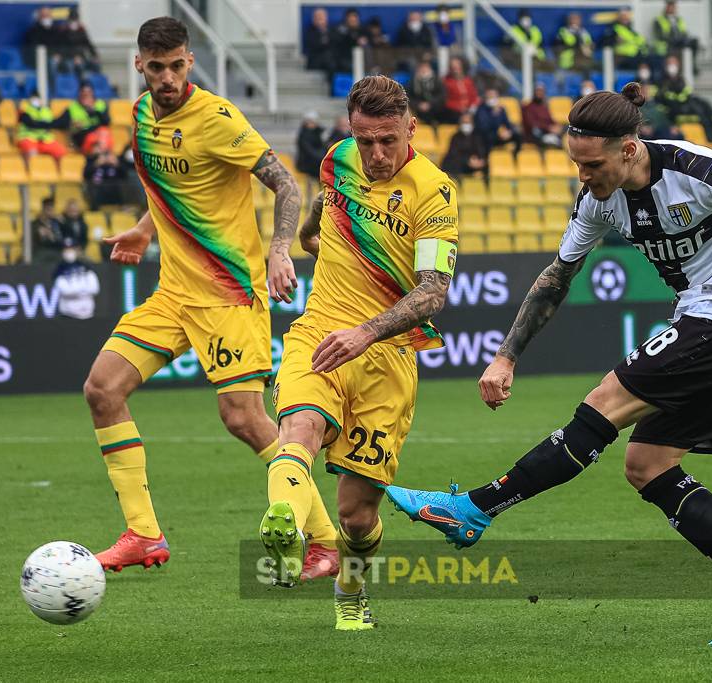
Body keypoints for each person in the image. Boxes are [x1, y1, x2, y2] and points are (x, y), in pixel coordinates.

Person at [385, 83, 712, 646]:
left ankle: (474, 509)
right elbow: (556, 279)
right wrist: (506, 356)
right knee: (648, 464)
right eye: (576, 164)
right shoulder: (597, 200)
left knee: (602, 406)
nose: (583, 176)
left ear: (629, 149)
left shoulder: (696, 169)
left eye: (591, 164)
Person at [79, 17, 327, 578]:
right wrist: (145, 229)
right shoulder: (141, 116)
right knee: (102, 389)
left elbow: (286, 185)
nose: (166, 77)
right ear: (139, 65)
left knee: (243, 418)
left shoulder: (216, 118)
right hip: (173, 293)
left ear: (189, 62)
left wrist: (280, 250)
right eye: (156, 67)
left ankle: (323, 538)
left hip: (228, 293)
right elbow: (173, 188)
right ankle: (143, 533)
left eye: (176, 66)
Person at [263, 75, 459, 630]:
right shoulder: (339, 158)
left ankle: (351, 587)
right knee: (298, 427)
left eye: (387, 141)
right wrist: (295, 244)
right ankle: (286, 526)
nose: (374, 154)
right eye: (364, 139)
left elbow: (433, 291)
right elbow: (326, 203)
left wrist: (367, 332)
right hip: (319, 332)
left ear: (410, 129)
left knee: (357, 513)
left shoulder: (434, 192)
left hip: (386, 359)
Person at [656, 55, 712, 148]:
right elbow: (661, 108)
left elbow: (686, 95)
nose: (672, 66)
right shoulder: (660, 85)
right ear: (665, 66)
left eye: (674, 63)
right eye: (669, 64)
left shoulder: (683, 83)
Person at [55, 82, 112, 154]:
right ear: (79, 94)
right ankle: (101, 156)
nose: (86, 95)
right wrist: (71, 125)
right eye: (83, 93)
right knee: (97, 139)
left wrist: (94, 111)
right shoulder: (73, 108)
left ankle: (102, 156)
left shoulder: (100, 105)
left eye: (88, 93)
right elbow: (59, 123)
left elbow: (106, 122)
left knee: (103, 132)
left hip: (100, 138)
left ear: (92, 94)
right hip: (83, 138)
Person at [53, 238, 101, 319]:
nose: (69, 252)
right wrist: (83, 289)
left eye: (71, 249)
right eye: (66, 250)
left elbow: (95, 288)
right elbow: (65, 291)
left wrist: (76, 290)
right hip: (68, 316)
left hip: (89, 315)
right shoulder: (59, 269)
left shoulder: (86, 266)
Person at [16, 93, 66, 160]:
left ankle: (58, 170)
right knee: (32, 153)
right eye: (33, 99)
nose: (35, 101)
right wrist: (45, 124)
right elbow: (31, 124)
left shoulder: (46, 111)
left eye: (37, 98)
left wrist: (40, 124)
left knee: (61, 152)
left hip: (45, 140)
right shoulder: (25, 110)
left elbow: (53, 124)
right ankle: (31, 169)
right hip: (29, 138)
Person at [441, 112, 489, 178]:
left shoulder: (477, 137)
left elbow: (481, 151)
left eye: (468, 122)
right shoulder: (456, 137)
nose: (466, 125)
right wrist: (467, 160)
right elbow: (453, 153)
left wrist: (479, 160)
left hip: (475, 164)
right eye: (464, 122)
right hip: (460, 164)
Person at [474, 88, 520, 153]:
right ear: (486, 97)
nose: (492, 98)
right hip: (485, 137)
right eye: (490, 96)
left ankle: (515, 157)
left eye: (494, 96)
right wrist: (494, 115)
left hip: (497, 135)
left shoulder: (501, 109)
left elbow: (507, 123)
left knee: (517, 136)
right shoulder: (481, 109)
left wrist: (509, 131)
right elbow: (484, 127)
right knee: (488, 139)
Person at [521, 83, 564, 148]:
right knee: (536, 130)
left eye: (541, 91)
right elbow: (531, 123)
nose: (539, 93)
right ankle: (548, 140)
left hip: (546, 132)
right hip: (534, 134)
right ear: (534, 93)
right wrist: (548, 128)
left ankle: (551, 141)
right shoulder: (528, 107)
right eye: (538, 91)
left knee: (565, 128)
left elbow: (550, 120)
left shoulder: (544, 107)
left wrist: (556, 125)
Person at [441, 56, 479, 123]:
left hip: (469, 111)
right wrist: (459, 107)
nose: (455, 68)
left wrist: (471, 109)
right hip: (454, 112)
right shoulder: (446, 81)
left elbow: (474, 97)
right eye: (453, 66)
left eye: (457, 65)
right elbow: (445, 100)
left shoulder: (469, 81)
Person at [332, 8, 367, 74]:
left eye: (355, 17)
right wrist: (356, 41)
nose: (353, 20)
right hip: (344, 60)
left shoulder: (362, 30)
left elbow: (367, 41)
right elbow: (342, 44)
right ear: (346, 19)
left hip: (360, 59)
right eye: (351, 18)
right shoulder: (340, 30)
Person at [296, 111, 327, 182]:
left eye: (313, 121)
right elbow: (308, 151)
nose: (312, 124)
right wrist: (321, 157)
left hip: (318, 161)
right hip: (307, 163)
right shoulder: (303, 135)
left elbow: (324, 145)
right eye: (309, 121)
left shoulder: (320, 132)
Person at [32, 196, 65, 261]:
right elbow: (30, 242)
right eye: (48, 209)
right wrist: (39, 235)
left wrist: (64, 223)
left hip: (57, 252)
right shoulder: (35, 224)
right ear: (42, 210)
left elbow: (64, 239)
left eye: (52, 209)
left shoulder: (58, 223)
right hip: (40, 253)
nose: (50, 212)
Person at [303, 8, 334, 75]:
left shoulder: (332, 30)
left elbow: (334, 44)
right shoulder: (310, 31)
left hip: (329, 60)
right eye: (318, 17)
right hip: (315, 60)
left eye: (322, 17)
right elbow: (314, 45)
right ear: (314, 19)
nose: (320, 20)